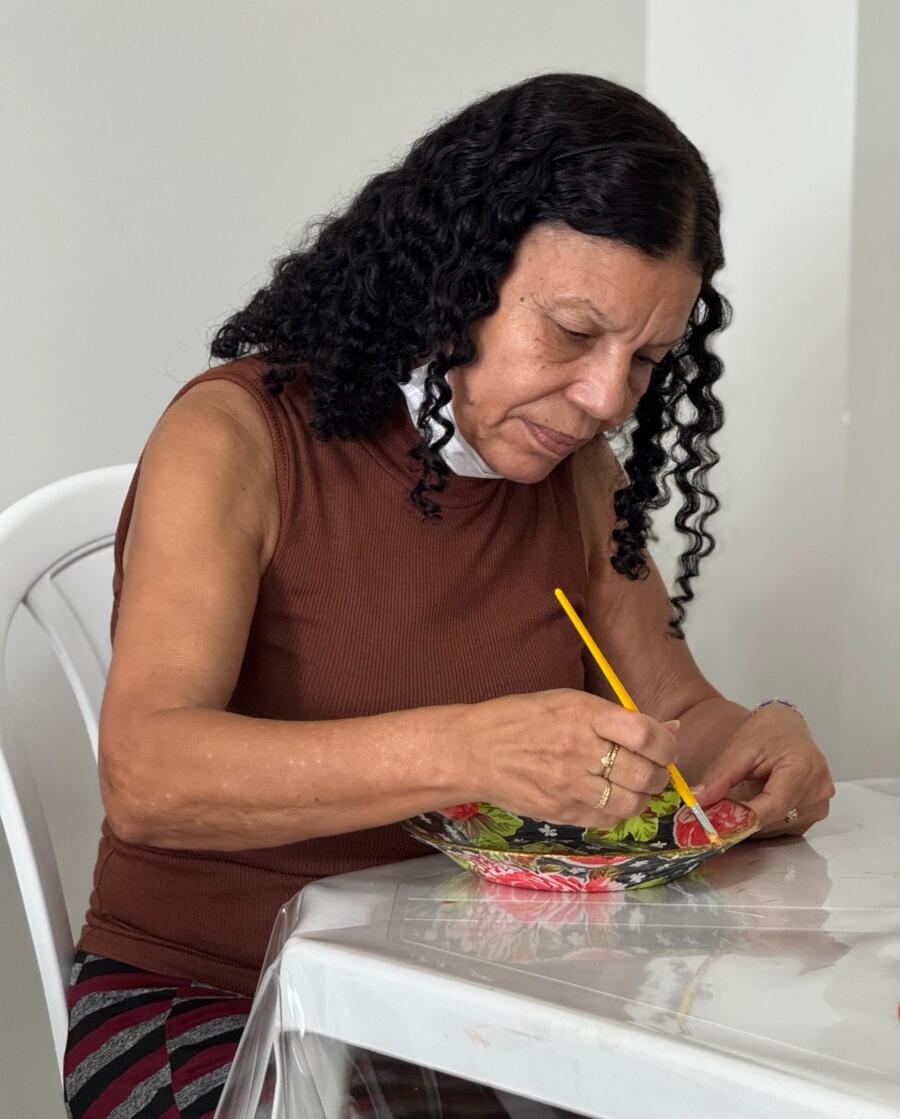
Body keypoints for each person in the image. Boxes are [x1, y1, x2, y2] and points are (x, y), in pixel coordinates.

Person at [63, 72, 834, 1119]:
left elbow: (674, 716)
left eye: (647, 360)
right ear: (454, 276)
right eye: (573, 333)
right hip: (213, 997)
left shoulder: (577, 476)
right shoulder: (236, 436)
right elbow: (147, 775)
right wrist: (470, 749)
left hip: (474, 1006)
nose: (606, 399)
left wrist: (756, 744)